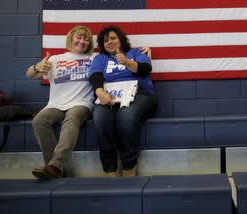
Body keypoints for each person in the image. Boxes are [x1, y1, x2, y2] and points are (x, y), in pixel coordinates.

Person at [26, 26, 96, 179]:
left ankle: (55, 165)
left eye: (86, 39)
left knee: (72, 117)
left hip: (81, 103)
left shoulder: (94, 58)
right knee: (39, 120)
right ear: (71, 38)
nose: (82, 41)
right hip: (56, 105)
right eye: (79, 37)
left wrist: (140, 52)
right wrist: (37, 67)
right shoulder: (55, 59)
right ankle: (56, 171)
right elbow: (29, 74)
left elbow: (116, 59)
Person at [89, 25, 156, 177]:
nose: (109, 42)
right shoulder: (100, 58)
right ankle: (110, 170)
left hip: (140, 94)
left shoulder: (136, 52)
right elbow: (95, 77)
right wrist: (100, 92)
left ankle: (129, 167)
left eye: (113, 38)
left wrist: (127, 62)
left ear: (121, 39)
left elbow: (146, 69)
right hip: (110, 96)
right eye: (106, 40)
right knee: (100, 117)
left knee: (125, 115)